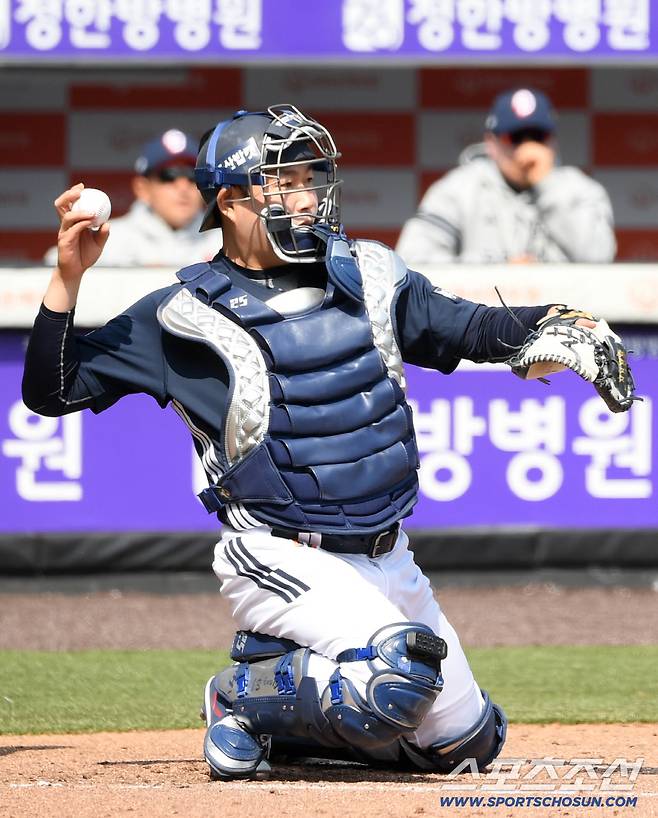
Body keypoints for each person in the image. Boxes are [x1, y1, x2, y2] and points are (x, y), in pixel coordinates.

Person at [22, 104, 612, 781]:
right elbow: (53, 390)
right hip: (273, 553)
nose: (306, 196)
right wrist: (69, 277)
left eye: (311, 177)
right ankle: (238, 697)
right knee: (392, 680)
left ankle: (295, 728)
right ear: (230, 200)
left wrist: (559, 327)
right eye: (285, 179)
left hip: (389, 554)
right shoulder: (178, 315)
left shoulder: (370, 275)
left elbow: (469, 328)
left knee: (467, 743)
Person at [396, 88, 616, 265]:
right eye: (516, 137)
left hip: (565, 315)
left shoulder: (581, 190)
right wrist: (499, 269)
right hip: (486, 315)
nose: (527, 147)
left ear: (553, 141)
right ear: (491, 143)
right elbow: (413, 259)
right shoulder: (457, 189)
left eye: (538, 136)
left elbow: (599, 257)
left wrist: (548, 185)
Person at [44, 128, 219, 267]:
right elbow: (49, 266)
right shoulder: (109, 238)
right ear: (142, 188)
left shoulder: (226, 240)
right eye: (169, 176)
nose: (183, 187)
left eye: (192, 176)